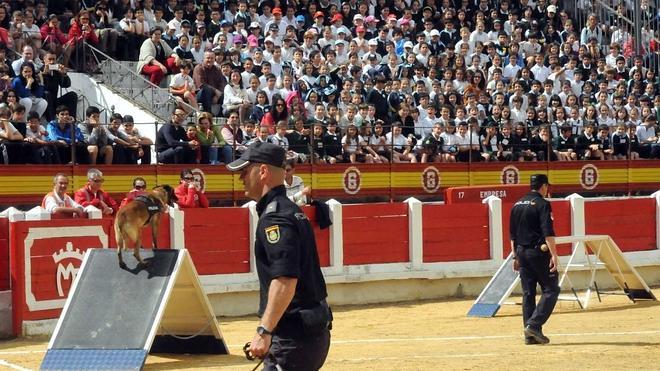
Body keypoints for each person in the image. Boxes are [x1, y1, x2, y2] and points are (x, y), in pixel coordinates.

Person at [226, 141, 331, 369]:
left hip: (293, 336)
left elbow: (285, 279)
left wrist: (264, 331)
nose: (240, 178)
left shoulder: (275, 218)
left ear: (262, 172)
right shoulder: (291, 210)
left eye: (244, 171)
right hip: (309, 330)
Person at [510, 174, 560, 345]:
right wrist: (554, 254)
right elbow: (548, 232)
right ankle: (533, 324)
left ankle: (529, 335)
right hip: (538, 252)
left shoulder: (516, 204)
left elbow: (512, 235)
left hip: (521, 252)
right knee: (551, 289)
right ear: (544, 186)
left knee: (528, 293)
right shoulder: (542, 204)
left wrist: (515, 256)